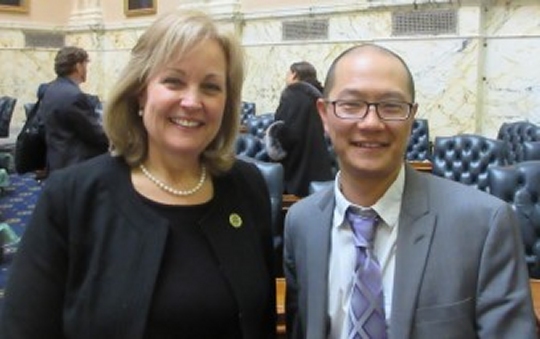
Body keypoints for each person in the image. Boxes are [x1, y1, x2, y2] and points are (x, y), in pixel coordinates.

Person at [0, 9, 276, 339]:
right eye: (173, 81)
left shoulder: (247, 186)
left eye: (211, 87)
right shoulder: (71, 196)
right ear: (140, 92)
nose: (192, 101)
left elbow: (261, 321)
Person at [283, 44, 537, 338]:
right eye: (351, 105)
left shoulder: (484, 225)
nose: (371, 123)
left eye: (391, 106)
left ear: (412, 116)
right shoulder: (301, 222)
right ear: (325, 115)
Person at [265, 61, 334, 197]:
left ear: (294, 75)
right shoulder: (322, 96)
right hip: (321, 169)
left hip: (297, 171)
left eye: (288, 73)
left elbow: (285, 133)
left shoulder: (292, 95)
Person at [36, 46, 108, 173]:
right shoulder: (74, 96)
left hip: (56, 160)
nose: (86, 70)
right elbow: (94, 135)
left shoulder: (50, 90)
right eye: (85, 65)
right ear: (78, 66)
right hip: (75, 165)